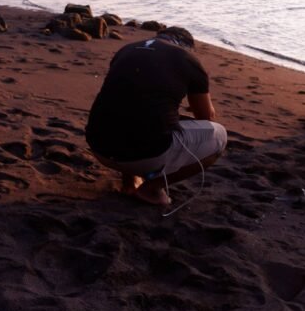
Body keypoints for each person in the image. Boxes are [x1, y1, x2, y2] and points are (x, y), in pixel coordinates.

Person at [85, 27, 228, 206]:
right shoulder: (187, 59)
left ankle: (129, 183)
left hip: (99, 146)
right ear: (187, 47)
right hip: (146, 155)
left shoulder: (127, 50)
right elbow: (206, 117)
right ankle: (151, 188)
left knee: (129, 106)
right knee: (219, 136)